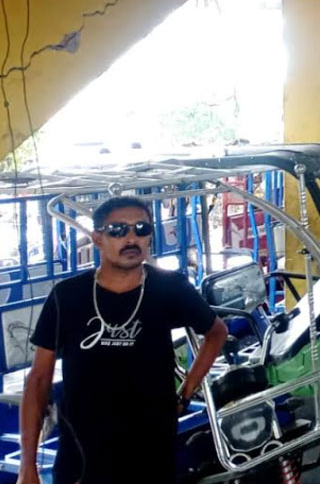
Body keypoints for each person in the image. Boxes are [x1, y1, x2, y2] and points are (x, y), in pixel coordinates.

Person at [20, 196, 229, 484]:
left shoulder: (170, 287)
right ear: (97, 238)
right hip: (82, 452)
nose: (131, 238)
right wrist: (27, 465)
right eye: (118, 230)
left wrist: (187, 391)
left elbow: (216, 332)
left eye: (141, 229)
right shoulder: (67, 296)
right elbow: (38, 380)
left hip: (151, 447)